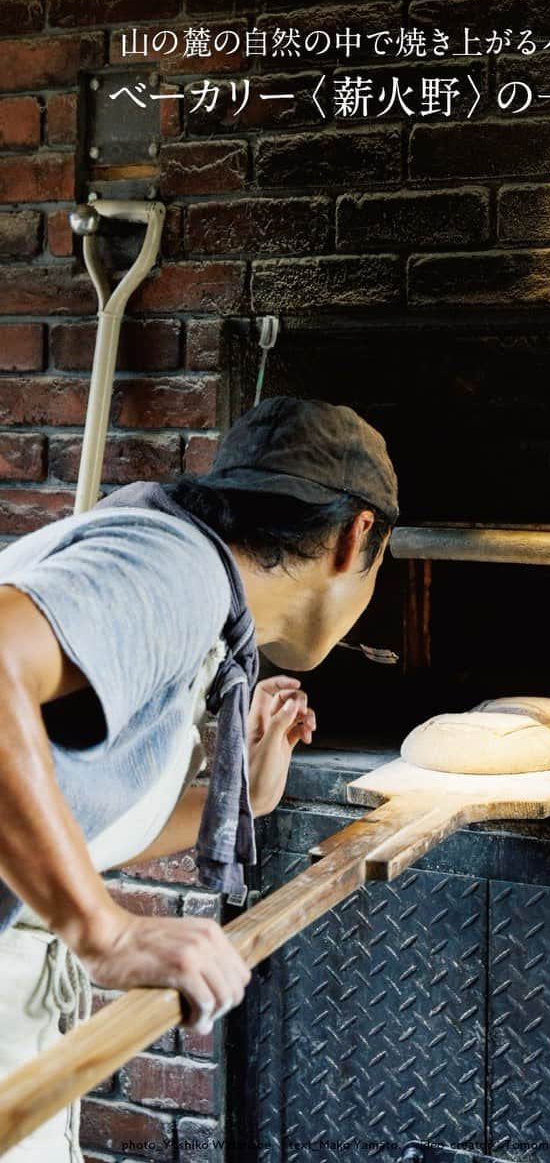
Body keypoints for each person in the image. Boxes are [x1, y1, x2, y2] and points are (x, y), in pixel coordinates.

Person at [0, 395, 399, 1161]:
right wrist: (103, 929)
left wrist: (244, 794)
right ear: (357, 540)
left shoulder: (185, 581)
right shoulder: (177, 570)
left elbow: (61, 808)